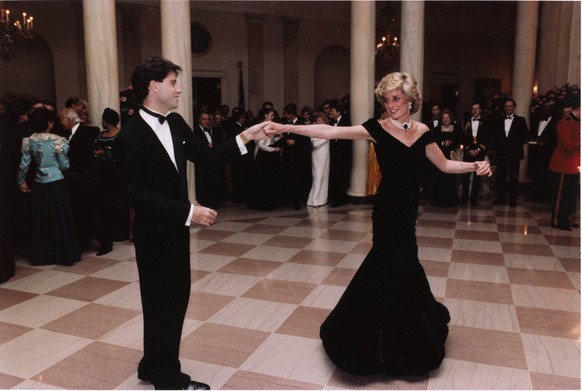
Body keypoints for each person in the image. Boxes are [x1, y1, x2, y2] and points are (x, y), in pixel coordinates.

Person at [266, 72, 491, 377]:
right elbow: (331, 132)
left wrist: (474, 166)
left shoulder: (424, 131)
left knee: (405, 264)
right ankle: (372, 337)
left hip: (408, 211)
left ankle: (408, 332)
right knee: (391, 264)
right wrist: (286, 126)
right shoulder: (377, 128)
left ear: (411, 100)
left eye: (396, 98)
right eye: (386, 99)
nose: (390, 104)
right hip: (387, 210)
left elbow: (445, 164)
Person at [114, 55, 267, 390]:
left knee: (173, 299)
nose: (179, 88)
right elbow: (135, 194)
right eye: (173, 82)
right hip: (155, 233)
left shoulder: (177, 122)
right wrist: (189, 212)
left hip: (175, 233)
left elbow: (209, 158)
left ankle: (152, 365)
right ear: (154, 87)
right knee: (162, 302)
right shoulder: (130, 136)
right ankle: (168, 379)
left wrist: (246, 137)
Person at [17, 107, 81, 266]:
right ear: (50, 123)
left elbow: (24, 165)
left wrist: (21, 181)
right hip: (57, 182)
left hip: (39, 183)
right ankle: (64, 253)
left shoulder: (29, 141)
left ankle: (44, 254)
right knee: (60, 217)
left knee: (42, 218)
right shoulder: (58, 140)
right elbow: (65, 165)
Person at [59, 107, 100, 252]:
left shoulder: (84, 132)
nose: (61, 122)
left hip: (83, 178)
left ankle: (103, 242)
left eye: (62, 119)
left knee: (90, 211)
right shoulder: (67, 134)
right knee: (79, 212)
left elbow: (86, 157)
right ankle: (83, 242)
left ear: (69, 119)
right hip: (75, 180)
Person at [94, 108, 127, 254]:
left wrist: (105, 153)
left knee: (118, 201)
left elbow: (123, 153)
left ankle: (121, 232)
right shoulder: (101, 135)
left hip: (117, 172)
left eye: (103, 119)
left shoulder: (122, 134)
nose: (101, 122)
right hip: (102, 174)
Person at [548, 97, 580, 230]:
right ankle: (557, 220)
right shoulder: (565, 122)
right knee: (561, 195)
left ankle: (567, 218)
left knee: (571, 195)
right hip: (563, 165)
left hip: (574, 165)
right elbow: (566, 143)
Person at [491, 98, 529, 206]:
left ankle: (513, 200)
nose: (508, 108)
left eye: (510, 106)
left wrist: (514, 145)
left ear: (514, 107)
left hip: (514, 153)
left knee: (514, 177)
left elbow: (525, 136)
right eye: (506, 106)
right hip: (502, 153)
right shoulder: (498, 120)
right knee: (501, 177)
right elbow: (495, 135)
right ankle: (500, 199)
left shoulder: (520, 120)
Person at [247, 107, 284, 211]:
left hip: (268, 156)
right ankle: (261, 204)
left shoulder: (270, 126)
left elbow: (269, 140)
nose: (273, 117)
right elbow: (259, 144)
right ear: (265, 115)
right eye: (271, 115)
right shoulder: (259, 127)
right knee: (262, 180)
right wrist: (273, 150)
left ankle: (269, 202)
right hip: (262, 156)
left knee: (269, 180)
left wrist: (279, 137)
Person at [430, 109, 463, 207]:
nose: (446, 120)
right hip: (439, 155)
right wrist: (443, 143)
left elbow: (461, 140)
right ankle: (438, 200)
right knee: (440, 177)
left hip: (452, 156)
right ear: (441, 119)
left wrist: (452, 143)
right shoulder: (436, 129)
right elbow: (433, 141)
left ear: (451, 118)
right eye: (444, 118)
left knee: (450, 178)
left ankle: (450, 200)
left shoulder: (456, 129)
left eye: (448, 117)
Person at [527, 105, 557, 201]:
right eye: (544, 109)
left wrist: (546, 142)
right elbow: (532, 133)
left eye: (548, 109)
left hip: (547, 154)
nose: (546, 111)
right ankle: (535, 195)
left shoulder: (555, 123)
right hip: (535, 153)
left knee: (545, 175)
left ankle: (545, 196)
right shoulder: (536, 121)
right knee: (535, 174)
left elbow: (555, 139)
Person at [461, 102, 489, 206]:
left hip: (479, 153)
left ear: (480, 110)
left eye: (477, 109)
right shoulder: (466, 121)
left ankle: (473, 199)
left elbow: (487, 138)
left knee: (478, 177)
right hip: (468, 153)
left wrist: (478, 149)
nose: (475, 111)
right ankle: (464, 198)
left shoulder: (486, 122)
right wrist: (468, 149)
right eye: (473, 109)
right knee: (465, 176)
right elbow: (462, 137)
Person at [328, 100, 352, 207]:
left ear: (338, 111)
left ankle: (341, 198)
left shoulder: (346, 121)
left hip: (343, 153)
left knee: (342, 175)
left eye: (332, 111)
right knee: (335, 175)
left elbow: (348, 136)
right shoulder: (331, 122)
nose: (331, 113)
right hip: (334, 153)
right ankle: (336, 197)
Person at [307, 112, 330, 207]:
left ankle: (322, 199)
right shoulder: (314, 129)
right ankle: (314, 200)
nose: (318, 122)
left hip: (325, 154)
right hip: (317, 154)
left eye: (320, 120)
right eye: (317, 120)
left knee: (324, 175)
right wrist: (324, 138)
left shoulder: (328, 129)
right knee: (318, 176)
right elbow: (314, 143)